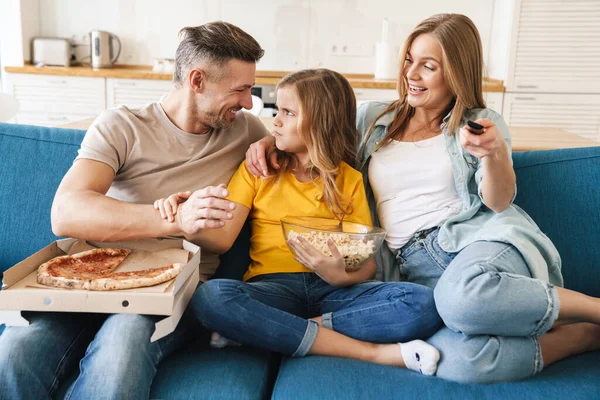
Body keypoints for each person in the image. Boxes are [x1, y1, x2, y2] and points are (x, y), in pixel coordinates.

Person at [246, 14, 600, 384]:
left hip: (475, 243)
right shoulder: (371, 118)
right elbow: (315, 124)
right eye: (409, 60)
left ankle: (591, 310)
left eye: (428, 66)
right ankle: (581, 337)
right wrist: (272, 139)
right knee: (459, 362)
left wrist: (493, 154)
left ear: (456, 73)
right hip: (415, 269)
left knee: (461, 299)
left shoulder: (479, 122)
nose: (411, 74)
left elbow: (498, 201)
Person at [0, 22, 270, 399]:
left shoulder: (246, 133)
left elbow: (306, 138)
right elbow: (65, 212)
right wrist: (174, 218)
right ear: (197, 81)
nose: (247, 102)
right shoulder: (122, 125)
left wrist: (273, 144)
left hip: (172, 291)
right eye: (240, 90)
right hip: (86, 279)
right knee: (14, 352)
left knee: (119, 348)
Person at [155, 68, 444, 375]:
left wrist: (337, 275)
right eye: (277, 111)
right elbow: (223, 238)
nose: (275, 121)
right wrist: (185, 221)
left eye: (288, 113)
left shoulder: (348, 180)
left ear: (321, 123)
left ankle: (273, 331)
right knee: (211, 298)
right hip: (273, 289)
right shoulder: (259, 170)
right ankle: (372, 353)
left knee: (423, 302)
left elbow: (366, 265)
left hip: (333, 292)